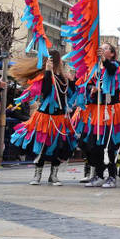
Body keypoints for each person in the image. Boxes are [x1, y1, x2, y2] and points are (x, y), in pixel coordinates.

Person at [10, 51, 77, 186]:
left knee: (59, 146)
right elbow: (45, 92)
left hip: (60, 118)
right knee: (41, 146)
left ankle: (53, 175)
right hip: (45, 117)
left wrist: (72, 81)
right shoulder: (44, 77)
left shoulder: (63, 78)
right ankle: (37, 175)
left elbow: (71, 94)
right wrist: (47, 71)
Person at [78, 43, 120, 189]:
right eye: (102, 48)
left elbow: (112, 72)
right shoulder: (95, 68)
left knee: (109, 145)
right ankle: (99, 174)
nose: (102, 50)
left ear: (112, 53)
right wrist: (91, 88)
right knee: (91, 144)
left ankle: (112, 176)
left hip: (110, 111)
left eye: (106, 49)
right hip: (95, 111)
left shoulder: (115, 65)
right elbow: (86, 84)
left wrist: (104, 61)